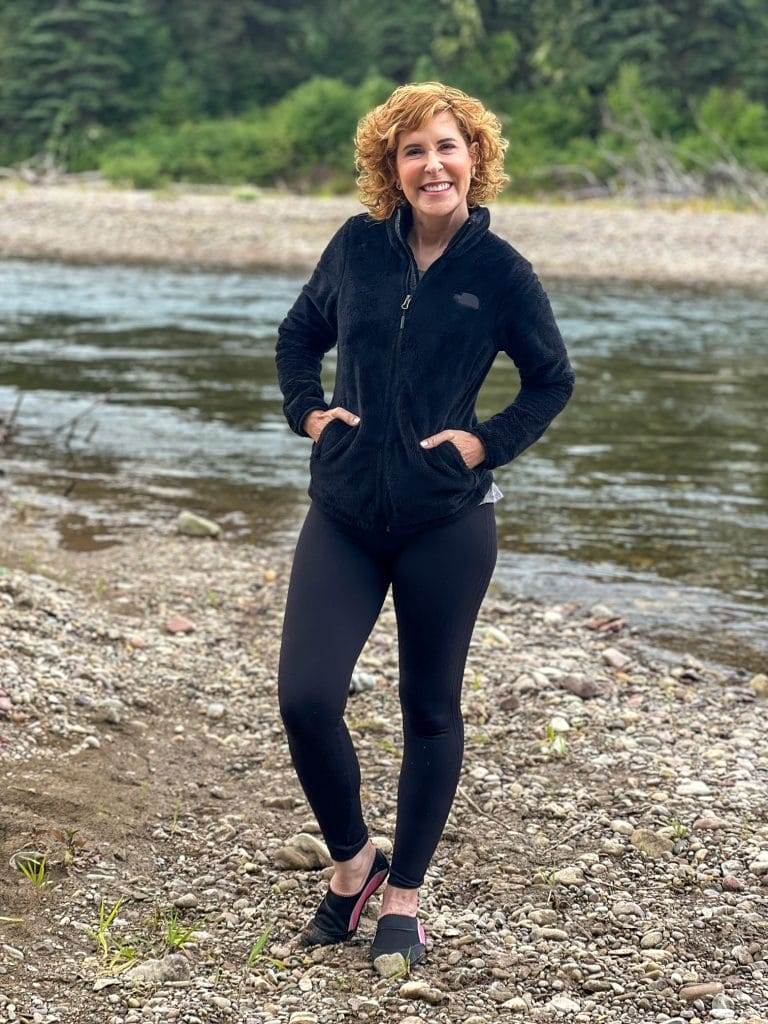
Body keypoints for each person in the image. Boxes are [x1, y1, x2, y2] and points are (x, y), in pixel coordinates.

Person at [275, 81, 576, 966]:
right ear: (391, 168)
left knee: (428, 708)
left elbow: (551, 380)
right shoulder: (358, 249)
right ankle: (353, 860)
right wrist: (310, 414)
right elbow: (299, 337)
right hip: (344, 511)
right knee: (306, 698)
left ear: (474, 159)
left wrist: (485, 445)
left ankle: (402, 895)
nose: (433, 163)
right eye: (414, 150)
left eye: (448, 146)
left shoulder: (502, 273)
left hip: (447, 518)